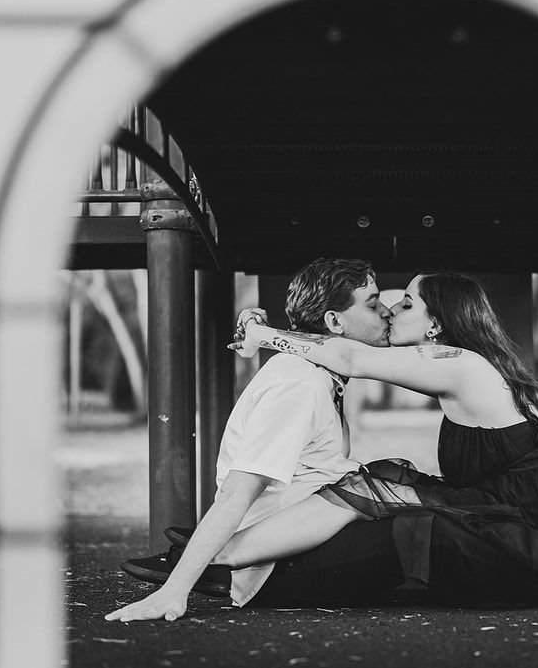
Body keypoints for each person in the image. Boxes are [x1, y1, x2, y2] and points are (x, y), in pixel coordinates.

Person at [152, 271, 538, 609]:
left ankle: (218, 555)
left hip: (529, 514)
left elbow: (349, 356)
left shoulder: (456, 363)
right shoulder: (452, 360)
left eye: (406, 304)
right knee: (381, 477)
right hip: (511, 498)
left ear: (437, 323)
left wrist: (264, 335)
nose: (391, 310)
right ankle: (216, 553)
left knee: (380, 487)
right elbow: (347, 349)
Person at [107, 258, 406, 623]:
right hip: (275, 566)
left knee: (396, 480)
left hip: (307, 535)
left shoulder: (316, 374)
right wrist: (176, 588)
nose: (386, 312)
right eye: (373, 304)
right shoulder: (299, 385)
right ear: (334, 322)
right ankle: (206, 563)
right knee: (425, 534)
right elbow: (238, 491)